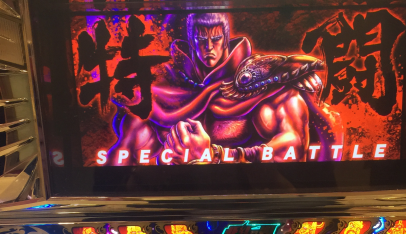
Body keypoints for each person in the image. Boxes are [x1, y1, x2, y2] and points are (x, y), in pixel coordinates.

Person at [106, 12, 342, 165]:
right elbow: (123, 155)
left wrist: (216, 155)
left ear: (226, 39)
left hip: (252, 198)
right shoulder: (164, 87)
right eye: (201, 40)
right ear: (191, 41)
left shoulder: (263, 82)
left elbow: (294, 148)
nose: (209, 48)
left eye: (216, 39)